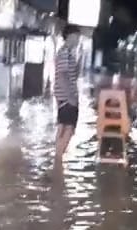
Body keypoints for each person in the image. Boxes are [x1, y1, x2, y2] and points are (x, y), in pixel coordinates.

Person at [53, 24, 80, 165]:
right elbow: (63, 75)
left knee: (63, 127)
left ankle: (57, 159)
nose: (78, 40)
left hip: (63, 96)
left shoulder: (67, 53)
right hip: (66, 96)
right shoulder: (64, 53)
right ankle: (58, 160)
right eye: (76, 36)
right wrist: (71, 97)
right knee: (68, 128)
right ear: (69, 36)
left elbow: (70, 74)